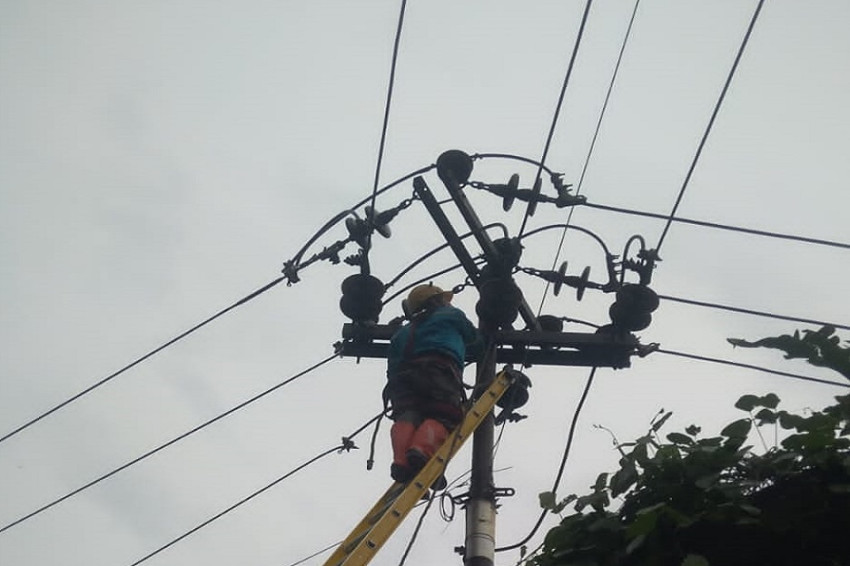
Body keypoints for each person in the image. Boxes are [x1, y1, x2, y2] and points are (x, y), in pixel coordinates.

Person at [383, 284, 482, 486]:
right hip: (437, 371)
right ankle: (422, 452)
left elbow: (391, 365)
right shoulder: (450, 315)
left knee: (408, 415)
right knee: (443, 415)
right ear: (437, 300)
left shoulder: (401, 333)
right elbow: (475, 339)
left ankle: (401, 461)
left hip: (401, 381)